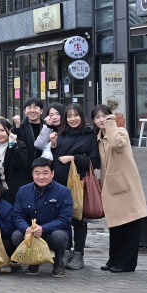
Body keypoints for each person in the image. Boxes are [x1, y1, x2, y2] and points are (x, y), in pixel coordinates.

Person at [90, 105, 147, 273]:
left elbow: (117, 145)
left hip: (126, 185)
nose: (102, 119)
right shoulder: (99, 137)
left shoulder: (120, 132)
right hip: (111, 186)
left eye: (105, 116)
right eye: (98, 117)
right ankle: (114, 259)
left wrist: (111, 123)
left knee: (130, 224)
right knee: (115, 225)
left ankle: (128, 263)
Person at [50, 104, 96, 270]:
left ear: (82, 117)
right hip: (60, 184)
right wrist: (54, 145)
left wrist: (73, 158)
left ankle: (78, 253)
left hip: (78, 182)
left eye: (76, 115)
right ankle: (66, 251)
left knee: (78, 219)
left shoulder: (89, 135)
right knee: (63, 218)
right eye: (69, 116)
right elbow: (56, 158)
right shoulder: (62, 134)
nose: (72, 119)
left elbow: (94, 161)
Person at [11, 158, 72, 278]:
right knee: (16, 236)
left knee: (59, 236)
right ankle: (33, 262)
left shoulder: (64, 192)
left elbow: (65, 220)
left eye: (45, 173)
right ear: (32, 174)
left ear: (52, 173)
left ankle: (58, 263)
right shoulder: (23, 191)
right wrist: (26, 228)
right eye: (37, 173)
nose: (41, 177)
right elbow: (17, 215)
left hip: (52, 232)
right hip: (31, 232)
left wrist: (43, 228)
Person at [0, 117, 30, 203]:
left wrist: (13, 145)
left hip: (17, 191)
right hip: (0, 192)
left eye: (2, 130)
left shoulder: (20, 146)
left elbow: (19, 163)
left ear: (9, 131)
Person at [12, 98, 51, 168]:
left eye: (35, 108)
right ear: (25, 111)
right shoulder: (20, 127)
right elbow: (16, 145)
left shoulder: (47, 126)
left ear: (41, 111)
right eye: (29, 108)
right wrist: (17, 127)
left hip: (45, 166)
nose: (32, 110)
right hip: (26, 167)